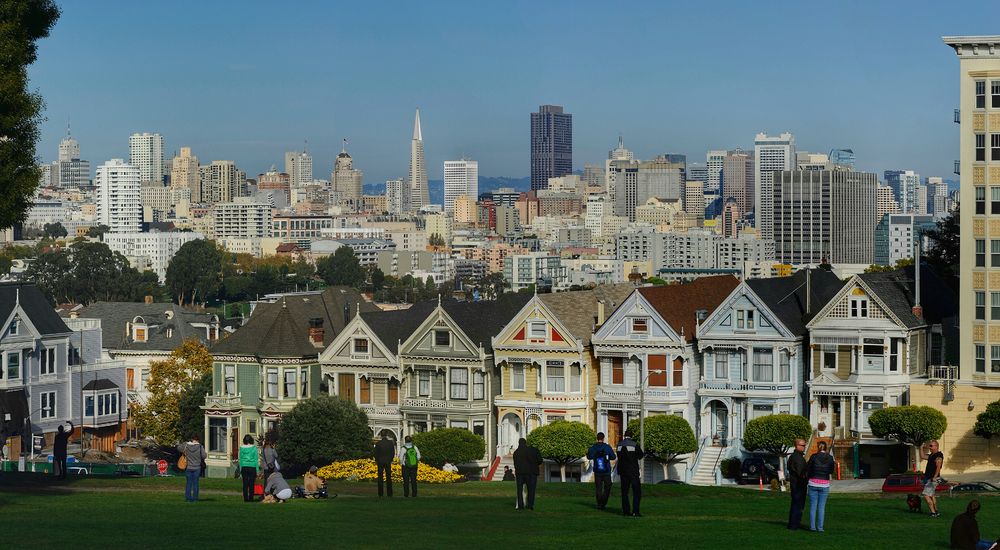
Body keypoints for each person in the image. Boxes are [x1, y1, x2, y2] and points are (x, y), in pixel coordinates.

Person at [806, 441, 835, 532]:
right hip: (824, 484)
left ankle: (812, 527)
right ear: (826, 448)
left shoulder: (813, 457)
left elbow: (808, 468)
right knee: (821, 507)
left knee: (813, 506)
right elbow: (831, 471)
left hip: (813, 483)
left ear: (818, 447)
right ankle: (820, 527)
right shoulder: (830, 458)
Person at [616, 429, 644, 517]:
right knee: (636, 491)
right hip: (633, 471)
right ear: (631, 436)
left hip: (622, 471)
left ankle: (626, 511)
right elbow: (640, 455)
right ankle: (635, 511)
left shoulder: (619, 445)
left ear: (624, 435)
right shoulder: (634, 444)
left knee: (624, 492)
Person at [586, 432, 617, 510]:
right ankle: (603, 502)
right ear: (603, 438)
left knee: (598, 488)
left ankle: (599, 503)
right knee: (607, 487)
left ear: (597, 438)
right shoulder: (607, 447)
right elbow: (613, 457)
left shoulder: (593, 447)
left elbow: (589, 457)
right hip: (606, 470)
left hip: (597, 471)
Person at [512, 437, 543, 510]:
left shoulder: (516, 452)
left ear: (519, 443)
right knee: (531, 490)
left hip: (520, 473)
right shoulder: (533, 450)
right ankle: (530, 505)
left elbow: (515, 464)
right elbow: (540, 460)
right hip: (532, 473)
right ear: (526, 443)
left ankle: (520, 505)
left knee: (519, 490)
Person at [177, 435, 207, 502]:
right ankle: (195, 498)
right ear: (198, 440)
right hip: (197, 467)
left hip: (188, 467)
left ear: (192, 439)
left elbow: (178, 448)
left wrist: (185, 443)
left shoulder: (187, 446)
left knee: (189, 483)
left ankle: (188, 498)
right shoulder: (200, 446)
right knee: (196, 483)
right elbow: (204, 456)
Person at [787, 438, 808, 530]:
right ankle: (794, 524)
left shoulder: (795, 456)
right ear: (797, 446)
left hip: (796, 484)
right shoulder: (797, 457)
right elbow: (801, 473)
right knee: (798, 505)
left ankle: (794, 523)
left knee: (796, 504)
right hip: (798, 485)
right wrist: (806, 478)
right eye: (803, 445)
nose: (804, 447)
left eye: (804, 445)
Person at [923, 440, 945, 518]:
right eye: (929, 446)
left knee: (926, 495)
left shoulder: (939, 455)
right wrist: (920, 447)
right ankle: (936, 511)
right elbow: (922, 456)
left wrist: (935, 477)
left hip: (933, 479)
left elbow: (938, 466)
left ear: (936, 446)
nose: (930, 447)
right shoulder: (931, 455)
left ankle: (933, 513)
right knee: (931, 495)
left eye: (931, 446)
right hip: (929, 478)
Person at [374, 433, 396, 497]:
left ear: (381, 435)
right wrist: (390, 459)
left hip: (380, 462)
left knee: (380, 478)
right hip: (388, 462)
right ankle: (389, 493)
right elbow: (393, 452)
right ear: (386, 435)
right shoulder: (390, 443)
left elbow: (375, 453)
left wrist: (377, 460)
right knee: (389, 478)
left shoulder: (378, 443)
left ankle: (380, 493)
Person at [238, 434, 259, 503]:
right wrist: (257, 470)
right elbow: (256, 459)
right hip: (252, 467)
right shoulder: (254, 448)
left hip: (244, 466)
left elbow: (240, 459)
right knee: (251, 484)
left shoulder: (241, 448)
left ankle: (245, 499)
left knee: (245, 484)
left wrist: (240, 469)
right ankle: (251, 498)